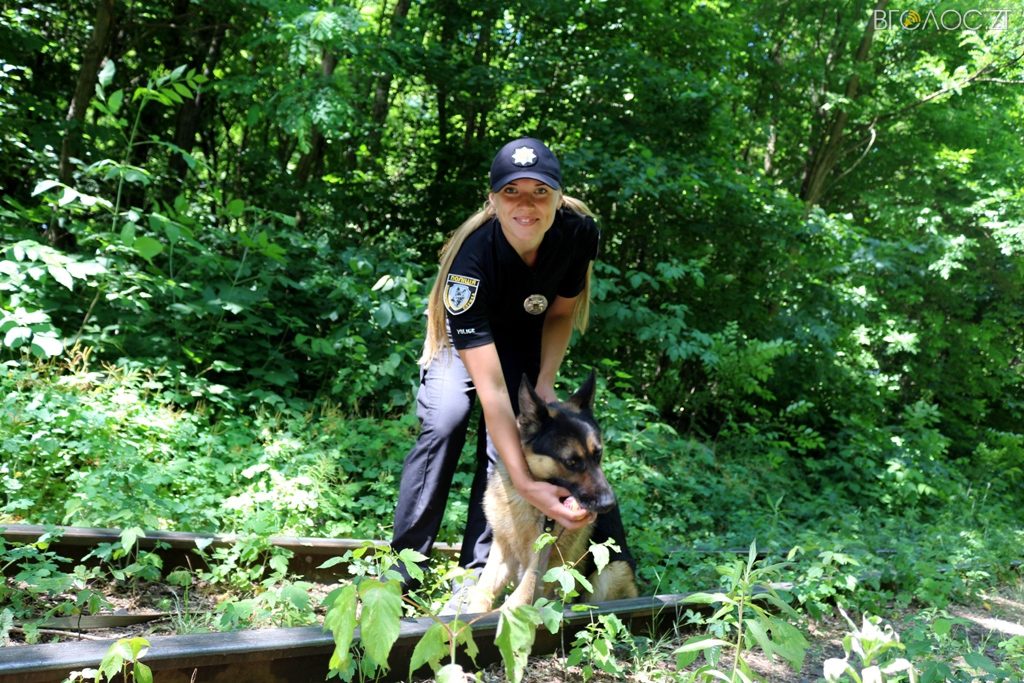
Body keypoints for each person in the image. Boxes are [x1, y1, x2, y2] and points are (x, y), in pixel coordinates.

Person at [390, 136, 633, 595]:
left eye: (540, 191)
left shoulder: (577, 233)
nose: (527, 204)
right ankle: (401, 571)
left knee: (506, 443)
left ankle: (477, 572)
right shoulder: (471, 264)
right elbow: (492, 392)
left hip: (525, 340)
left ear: (558, 197)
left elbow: (560, 313)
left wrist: (545, 380)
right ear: (493, 200)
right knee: (446, 420)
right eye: (511, 192)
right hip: (463, 342)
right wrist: (525, 484)